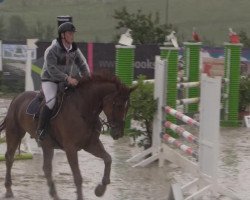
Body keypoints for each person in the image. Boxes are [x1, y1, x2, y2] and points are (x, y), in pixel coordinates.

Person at [37, 22, 90, 142]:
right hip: (49, 79)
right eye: (70, 34)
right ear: (62, 35)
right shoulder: (53, 49)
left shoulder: (74, 49)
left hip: (64, 80)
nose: (72, 36)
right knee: (51, 101)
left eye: (73, 34)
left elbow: (82, 64)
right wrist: (67, 78)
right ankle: (41, 130)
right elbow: (51, 69)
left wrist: (88, 80)